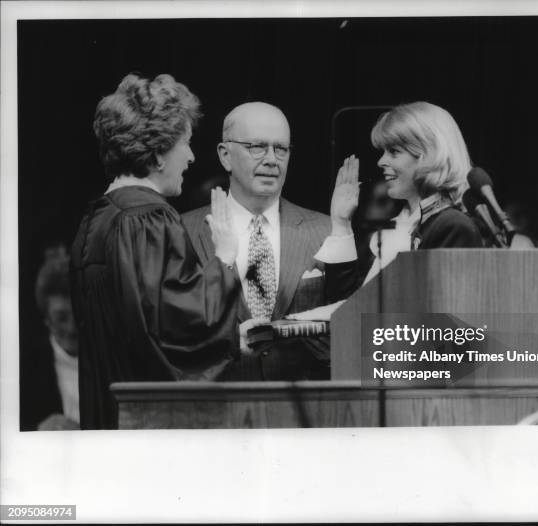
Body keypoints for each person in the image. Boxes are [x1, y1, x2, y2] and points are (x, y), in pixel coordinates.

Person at [70, 73, 241, 429]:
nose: (192, 157)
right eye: (186, 143)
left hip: (108, 420)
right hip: (150, 424)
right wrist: (225, 257)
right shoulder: (150, 220)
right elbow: (183, 328)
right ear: (160, 152)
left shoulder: (96, 221)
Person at [182, 102, 331, 381]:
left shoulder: (325, 230)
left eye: (281, 149)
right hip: (218, 406)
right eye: (257, 147)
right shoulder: (184, 231)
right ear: (225, 155)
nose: (272, 159)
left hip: (303, 409)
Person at [318, 102, 483, 299]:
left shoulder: (452, 226)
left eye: (394, 152)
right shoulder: (400, 223)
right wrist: (341, 224)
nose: (381, 161)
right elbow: (345, 310)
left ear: (428, 155)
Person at [21, 252, 80, 430]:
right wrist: (37, 430)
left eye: (79, 315)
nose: (72, 328)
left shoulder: (112, 361)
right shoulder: (24, 367)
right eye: (61, 318)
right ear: (46, 319)